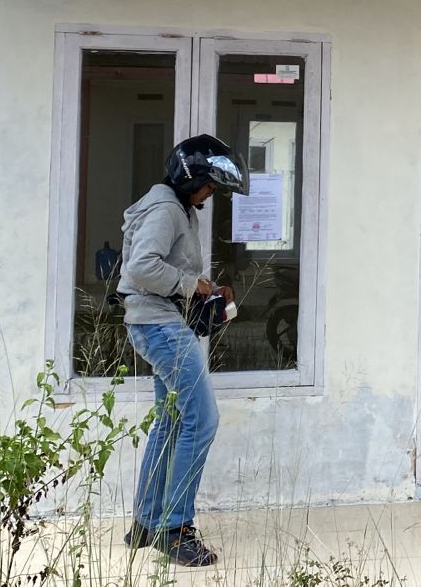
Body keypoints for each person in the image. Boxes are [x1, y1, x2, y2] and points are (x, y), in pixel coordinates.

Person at [117, 134, 247, 566]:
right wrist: (192, 285)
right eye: (209, 184)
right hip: (161, 327)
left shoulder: (175, 207)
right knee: (202, 419)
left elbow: (162, 267)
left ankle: (146, 521)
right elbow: (141, 267)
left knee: (172, 420)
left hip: (157, 323)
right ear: (190, 178)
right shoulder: (167, 210)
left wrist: (204, 292)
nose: (211, 193)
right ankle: (175, 530)